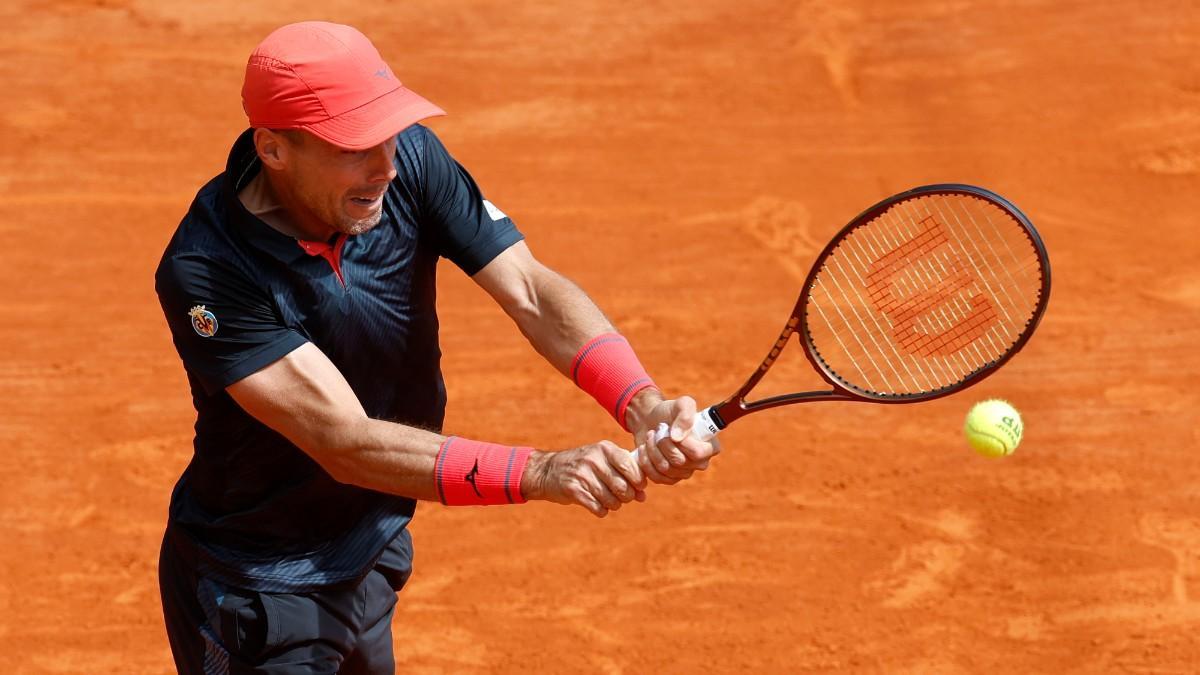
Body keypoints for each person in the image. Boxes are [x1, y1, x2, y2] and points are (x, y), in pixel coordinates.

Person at [154, 21, 718, 674]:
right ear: (274, 149)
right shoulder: (208, 268)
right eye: (352, 147)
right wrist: (543, 470)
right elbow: (346, 440)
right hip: (257, 587)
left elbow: (531, 290)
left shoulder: (408, 164)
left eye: (388, 134)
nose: (385, 166)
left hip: (370, 551)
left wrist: (642, 404)